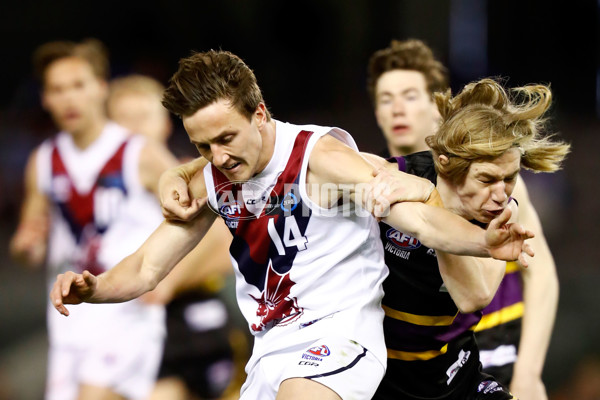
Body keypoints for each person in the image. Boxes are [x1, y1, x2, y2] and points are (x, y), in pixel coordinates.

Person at [49, 49, 534, 400]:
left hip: (340, 339)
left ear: (260, 114)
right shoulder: (215, 177)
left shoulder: (318, 159)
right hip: (271, 350)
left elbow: (420, 220)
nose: (218, 156)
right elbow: (145, 267)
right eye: (202, 147)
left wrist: (483, 241)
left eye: (226, 138)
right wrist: (93, 287)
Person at [366, 39, 565, 399]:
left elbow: (537, 275)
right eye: (385, 99)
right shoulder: (378, 176)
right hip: (394, 365)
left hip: (485, 346)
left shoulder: (502, 192)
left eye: (410, 96)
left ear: (435, 106)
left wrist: (530, 374)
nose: (397, 109)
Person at [9, 39, 179, 400]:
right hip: (69, 320)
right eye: (57, 89)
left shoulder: (139, 153)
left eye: (78, 86)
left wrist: (172, 276)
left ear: (101, 88)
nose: (69, 98)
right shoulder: (43, 160)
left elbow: (202, 216)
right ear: (45, 98)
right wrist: (26, 246)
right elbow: (31, 243)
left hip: (126, 314)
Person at [106, 74, 248, 400]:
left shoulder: (196, 179)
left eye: (143, 118)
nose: (134, 130)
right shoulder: (107, 190)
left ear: (166, 125)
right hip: (130, 321)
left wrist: (165, 280)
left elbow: (225, 246)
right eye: (123, 121)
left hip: (190, 314)